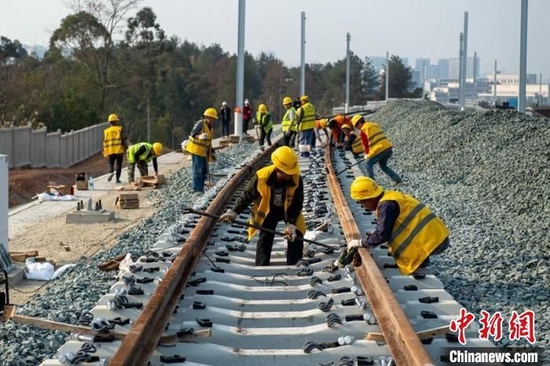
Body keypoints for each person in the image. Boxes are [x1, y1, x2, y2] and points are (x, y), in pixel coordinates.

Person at [219, 146, 306, 266]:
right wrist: (234, 212)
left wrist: (291, 224)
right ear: (278, 170)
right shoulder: (262, 177)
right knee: (265, 237)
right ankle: (262, 265)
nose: (290, 175)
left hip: (289, 210)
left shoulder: (296, 179)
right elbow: (247, 195)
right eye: (287, 173)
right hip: (268, 211)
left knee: (296, 235)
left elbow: (297, 203)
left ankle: (295, 264)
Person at [346, 176, 450, 275]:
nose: (364, 206)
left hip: (435, 241)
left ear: (370, 198)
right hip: (438, 235)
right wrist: (374, 235)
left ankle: (419, 265)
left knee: (403, 243)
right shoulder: (389, 195)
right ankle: (421, 263)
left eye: (362, 203)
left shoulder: (386, 205)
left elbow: (383, 234)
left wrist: (361, 243)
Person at [352, 114, 402, 183]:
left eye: (357, 126)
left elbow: (366, 146)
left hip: (380, 150)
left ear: (359, 123)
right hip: (388, 148)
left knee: (367, 164)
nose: (358, 128)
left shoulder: (364, 130)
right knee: (383, 166)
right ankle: (397, 179)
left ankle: (371, 183)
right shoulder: (374, 125)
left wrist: (367, 156)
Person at [186, 108, 218, 192]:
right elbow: (193, 134)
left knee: (204, 171)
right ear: (208, 117)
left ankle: (201, 188)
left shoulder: (210, 128)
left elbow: (209, 142)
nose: (213, 120)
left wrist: (213, 152)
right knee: (198, 171)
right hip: (197, 151)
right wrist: (199, 137)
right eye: (213, 118)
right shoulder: (200, 124)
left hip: (204, 152)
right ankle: (197, 189)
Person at [102, 113, 127, 184]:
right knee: (119, 165)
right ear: (116, 121)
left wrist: (104, 150)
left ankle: (111, 172)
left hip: (110, 150)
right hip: (119, 150)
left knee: (111, 163)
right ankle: (117, 179)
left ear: (109, 122)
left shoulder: (106, 131)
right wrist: (126, 149)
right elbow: (124, 139)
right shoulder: (120, 129)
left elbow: (104, 141)